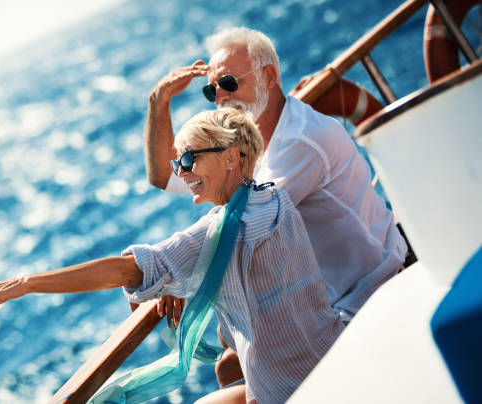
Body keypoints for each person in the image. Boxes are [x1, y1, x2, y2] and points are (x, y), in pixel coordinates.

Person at [0, 108, 344, 404]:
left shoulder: (220, 231)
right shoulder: (276, 198)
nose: (182, 171)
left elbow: (126, 271)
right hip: (336, 354)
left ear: (230, 157)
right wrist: (176, 279)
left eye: (189, 159)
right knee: (227, 366)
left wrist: (27, 283)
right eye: (178, 162)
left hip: (293, 391)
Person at [144, 26, 408, 386]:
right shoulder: (248, 148)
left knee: (234, 366)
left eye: (229, 83)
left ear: (269, 76)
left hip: (371, 292)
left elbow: (244, 226)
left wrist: (167, 272)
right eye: (212, 90)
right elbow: (162, 175)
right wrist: (158, 102)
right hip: (335, 299)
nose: (220, 97)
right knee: (230, 367)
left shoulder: (300, 140)